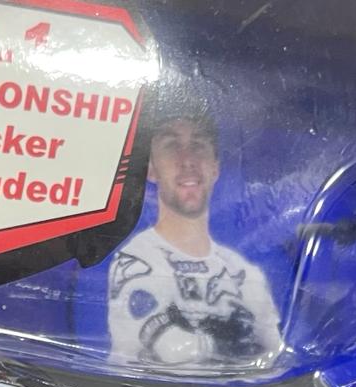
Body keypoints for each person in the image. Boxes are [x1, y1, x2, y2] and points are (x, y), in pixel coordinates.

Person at [107, 100, 282, 369]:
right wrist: (226, 342)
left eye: (198, 145)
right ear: (151, 168)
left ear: (215, 168)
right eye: (171, 145)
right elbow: (173, 349)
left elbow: (275, 356)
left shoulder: (245, 274)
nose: (187, 160)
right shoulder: (135, 261)